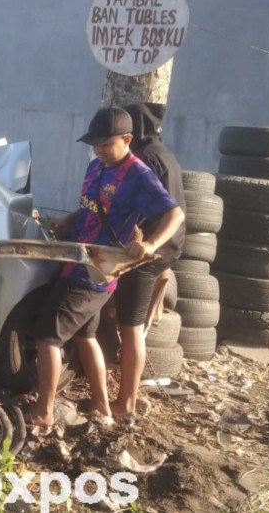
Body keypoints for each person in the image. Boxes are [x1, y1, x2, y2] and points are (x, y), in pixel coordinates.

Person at [34, 107, 184, 433]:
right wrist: (68, 221)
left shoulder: (139, 175)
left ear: (127, 139)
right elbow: (92, 205)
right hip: (77, 261)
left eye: (106, 143)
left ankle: (43, 415)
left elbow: (175, 215)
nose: (99, 149)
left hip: (96, 273)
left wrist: (150, 245)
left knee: (48, 338)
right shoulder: (97, 166)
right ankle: (102, 407)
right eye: (95, 144)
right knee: (85, 335)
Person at [107, 102, 187, 422]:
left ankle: (126, 403)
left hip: (152, 249)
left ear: (131, 134)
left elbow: (145, 206)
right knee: (129, 322)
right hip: (167, 246)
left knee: (130, 327)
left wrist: (148, 243)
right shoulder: (162, 152)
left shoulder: (145, 159)